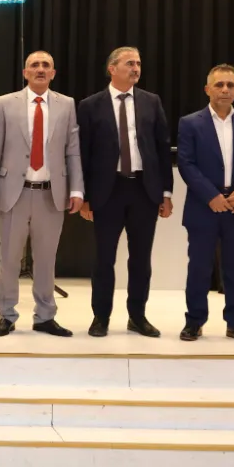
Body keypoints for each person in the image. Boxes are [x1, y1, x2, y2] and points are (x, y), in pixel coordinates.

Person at [0, 51, 84, 337]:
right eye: (34, 65)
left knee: (46, 260)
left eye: (46, 65)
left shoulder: (66, 104)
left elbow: (73, 150)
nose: (40, 69)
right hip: (13, 193)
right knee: (9, 258)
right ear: (25, 72)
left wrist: (77, 188)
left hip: (51, 194)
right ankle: (7, 315)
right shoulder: (5, 103)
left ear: (53, 73)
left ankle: (45, 317)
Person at [77, 47, 174, 338]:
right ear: (112, 68)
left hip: (144, 190)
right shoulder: (90, 105)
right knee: (103, 259)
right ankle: (101, 317)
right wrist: (84, 196)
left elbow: (162, 148)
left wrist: (166, 193)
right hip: (107, 192)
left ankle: (137, 316)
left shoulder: (151, 102)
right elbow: (83, 154)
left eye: (138, 63)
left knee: (141, 259)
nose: (136, 68)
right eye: (130, 63)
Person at [177, 64, 234, 344]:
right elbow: (186, 163)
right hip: (204, 207)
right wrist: (211, 196)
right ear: (208, 89)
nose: (225, 89)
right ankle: (194, 322)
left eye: (230, 85)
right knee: (199, 268)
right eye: (219, 85)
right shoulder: (190, 123)